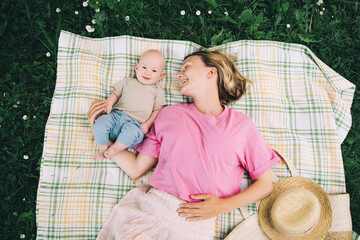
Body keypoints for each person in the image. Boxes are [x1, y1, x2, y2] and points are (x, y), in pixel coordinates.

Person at [87, 50, 280, 239]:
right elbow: (136, 168)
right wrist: (98, 128)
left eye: (186, 67)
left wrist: (224, 205)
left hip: (197, 225)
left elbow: (265, 184)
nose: (179, 74)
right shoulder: (168, 115)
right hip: (153, 209)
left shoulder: (241, 125)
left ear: (211, 72)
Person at [91, 49, 166, 161]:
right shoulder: (127, 81)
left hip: (134, 124)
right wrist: (109, 103)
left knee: (132, 132)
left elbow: (158, 110)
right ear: (136, 67)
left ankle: (114, 149)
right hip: (115, 116)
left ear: (161, 76)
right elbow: (115, 94)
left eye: (154, 70)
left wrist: (148, 124)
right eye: (144, 67)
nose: (147, 73)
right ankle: (102, 149)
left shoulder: (157, 91)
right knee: (100, 122)